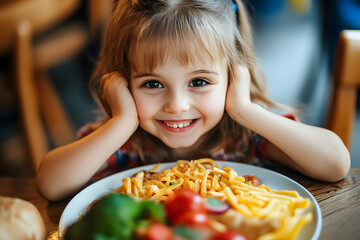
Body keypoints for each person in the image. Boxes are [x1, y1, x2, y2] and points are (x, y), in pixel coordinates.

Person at [36, 0, 350, 201]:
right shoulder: (123, 143)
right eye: (153, 83)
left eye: (199, 82)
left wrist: (245, 110)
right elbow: (50, 184)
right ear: (122, 81)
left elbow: (336, 163)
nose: (177, 105)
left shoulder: (247, 136)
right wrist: (122, 122)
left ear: (232, 77)